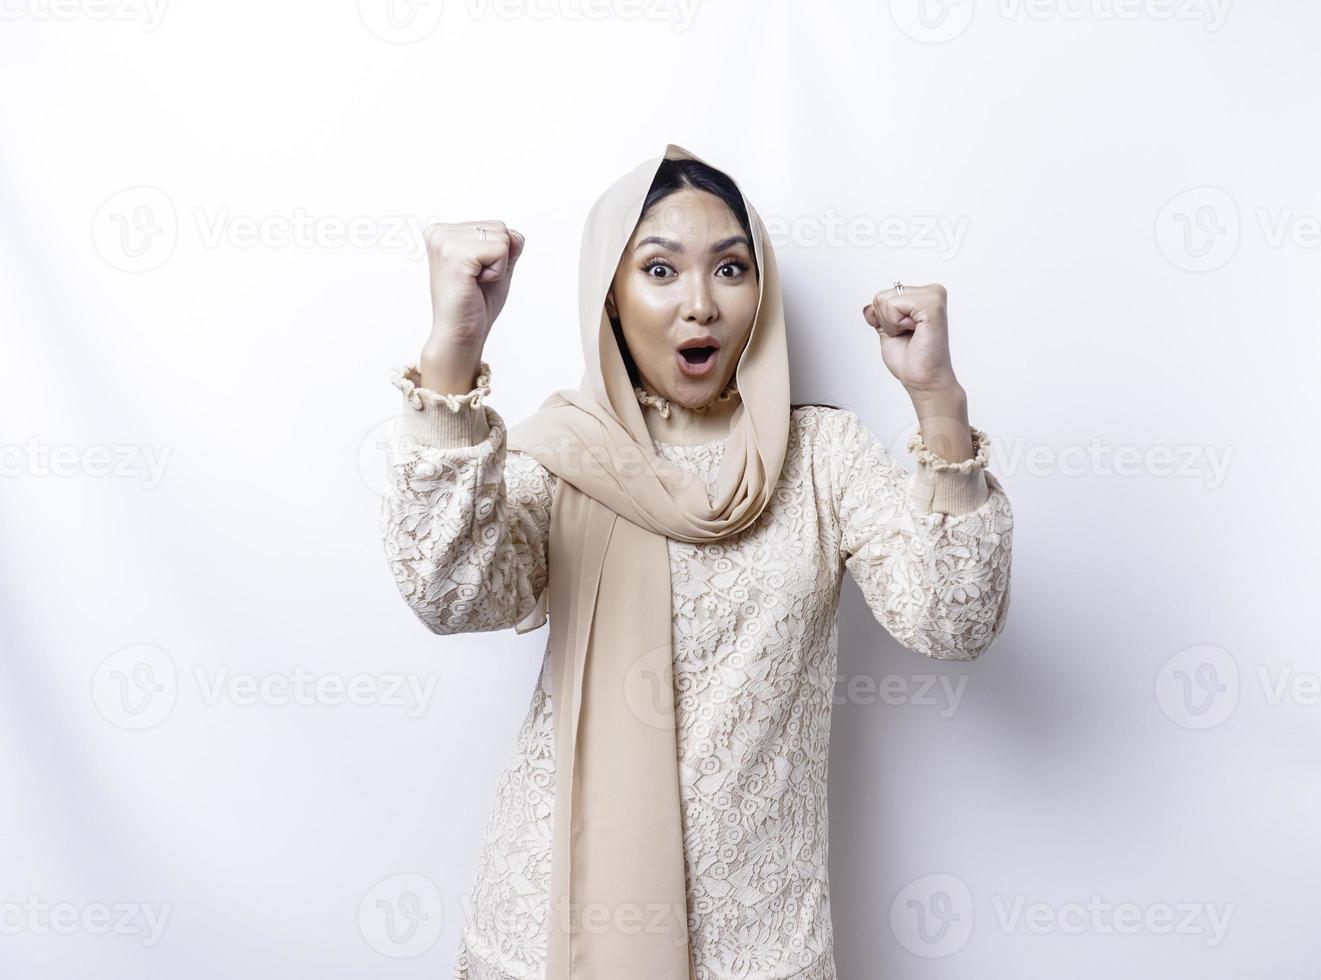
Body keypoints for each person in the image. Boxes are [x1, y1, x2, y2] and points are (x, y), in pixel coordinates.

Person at [380, 142, 1014, 980]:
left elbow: (952, 618)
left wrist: (938, 402)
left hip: (760, 946)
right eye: (660, 270)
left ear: (763, 291)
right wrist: (453, 349)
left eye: (729, 268)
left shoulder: (821, 457)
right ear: (610, 296)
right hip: (554, 933)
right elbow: (447, 588)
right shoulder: (568, 455)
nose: (701, 305)